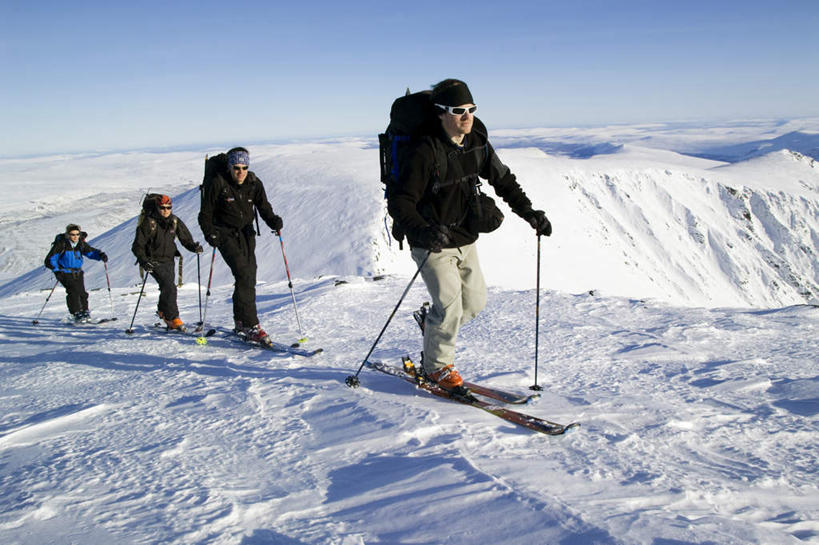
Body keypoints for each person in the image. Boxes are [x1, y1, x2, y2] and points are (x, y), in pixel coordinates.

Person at [388, 78, 552, 390]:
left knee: (474, 304)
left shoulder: (477, 142)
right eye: (458, 110)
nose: (467, 116)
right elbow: (400, 201)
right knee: (449, 307)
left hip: (465, 237)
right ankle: (437, 368)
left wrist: (530, 213)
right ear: (440, 114)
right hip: (431, 242)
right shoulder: (424, 151)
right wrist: (422, 230)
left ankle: (432, 325)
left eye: (471, 109)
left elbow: (504, 182)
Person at [198, 147, 284, 344]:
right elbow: (205, 214)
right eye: (236, 167)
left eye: (244, 167)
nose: (241, 172)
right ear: (229, 167)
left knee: (248, 276)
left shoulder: (254, 183)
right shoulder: (218, 183)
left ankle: (240, 320)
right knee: (243, 273)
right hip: (223, 234)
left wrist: (273, 221)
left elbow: (263, 207)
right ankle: (251, 324)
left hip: (246, 233)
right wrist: (210, 233)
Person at [132, 194, 203, 331]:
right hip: (152, 262)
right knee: (169, 287)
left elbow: (185, 239)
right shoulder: (149, 222)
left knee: (167, 287)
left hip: (169, 261)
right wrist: (144, 261)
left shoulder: (174, 221)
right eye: (162, 207)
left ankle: (162, 311)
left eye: (168, 207)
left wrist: (194, 247)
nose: (166, 210)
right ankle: (173, 318)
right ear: (157, 207)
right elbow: (137, 246)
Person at [44, 224, 108, 322]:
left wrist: (100, 255)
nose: (75, 237)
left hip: (78, 272)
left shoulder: (80, 244)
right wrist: (56, 271)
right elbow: (50, 259)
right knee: (73, 291)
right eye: (72, 234)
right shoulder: (61, 244)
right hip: (64, 272)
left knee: (82, 292)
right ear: (68, 235)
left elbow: (90, 252)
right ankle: (76, 313)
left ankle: (85, 312)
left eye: (77, 234)